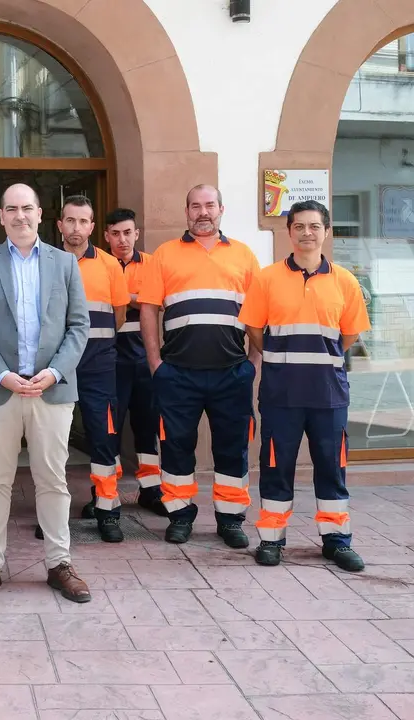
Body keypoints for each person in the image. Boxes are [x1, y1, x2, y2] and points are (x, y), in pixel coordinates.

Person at [0, 183, 92, 605]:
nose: (20, 216)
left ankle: (59, 563)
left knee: (53, 479)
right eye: (12, 209)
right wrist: (1, 375)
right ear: (0, 216)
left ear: (40, 214)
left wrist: (53, 373)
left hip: (50, 391)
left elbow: (78, 327)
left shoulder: (65, 264)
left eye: (27, 208)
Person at [238, 200, 371, 571]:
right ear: (289, 232)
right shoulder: (267, 278)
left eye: (315, 226)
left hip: (328, 394)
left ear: (326, 231)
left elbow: (349, 335)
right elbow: (253, 328)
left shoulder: (345, 280)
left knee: (332, 466)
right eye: (300, 226)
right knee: (276, 466)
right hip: (281, 394)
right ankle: (271, 539)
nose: (307, 233)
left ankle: (337, 541)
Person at [139, 184, 261, 547]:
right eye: (195, 206)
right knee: (176, 445)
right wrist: (155, 362)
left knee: (232, 446)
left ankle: (230, 519)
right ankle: (179, 515)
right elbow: (148, 308)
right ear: (186, 211)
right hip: (177, 373)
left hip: (232, 373)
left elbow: (259, 315)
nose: (202, 212)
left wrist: (254, 363)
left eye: (209, 205)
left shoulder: (243, 255)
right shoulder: (165, 254)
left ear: (221, 208)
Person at [57, 196, 130, 543]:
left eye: (82, 221)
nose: (75, 228)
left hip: (99, 365)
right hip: (55, 368)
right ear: (59, 225)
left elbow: (118, 317)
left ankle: (107, 508)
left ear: (91, 226)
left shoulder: (109, 265)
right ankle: (53, 515)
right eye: (69, 221)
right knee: (53, 442)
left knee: (103, 437)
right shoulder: (45, 262)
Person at [106, 208, 165, 516]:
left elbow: (160, 301)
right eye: (115, 233)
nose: (122, 239)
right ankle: (106, 491)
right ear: (106, 236)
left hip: (145, 357)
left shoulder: (154, 264)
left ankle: (151, 489)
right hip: (110, 360)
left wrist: (122, 297)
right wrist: (137, 298)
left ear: (137, 234)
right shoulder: (99, 264)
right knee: (109, 428)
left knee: (148, 426)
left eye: (127, 232)